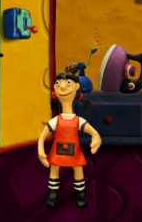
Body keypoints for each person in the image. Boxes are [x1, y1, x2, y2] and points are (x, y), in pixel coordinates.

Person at [38, 70, 101, 208]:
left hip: (75, 151)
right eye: (58, 83)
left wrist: (96, 138)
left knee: (78, 169)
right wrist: (41, 150)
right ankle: (52, 193)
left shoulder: (78, 120)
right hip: (57, 150)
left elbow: (93, 132)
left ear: (76, 87)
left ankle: (80, 193)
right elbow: (43, 135)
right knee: (54, 168)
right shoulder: (56, 120)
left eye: (68, 83)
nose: (62, 87)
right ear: (54, 90)